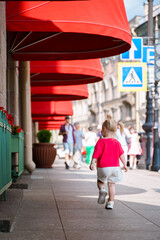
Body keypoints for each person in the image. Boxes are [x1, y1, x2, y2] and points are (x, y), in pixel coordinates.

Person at [89, 117, 127, 210]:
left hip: (103, 167)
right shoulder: (117, 142)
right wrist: (125, 165)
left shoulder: (101, 141)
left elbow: (96, 153)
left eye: (101, 129)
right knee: (112, 184)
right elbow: (121, 155)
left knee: (100, 181)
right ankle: (111, 202)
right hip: (115, 168)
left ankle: (102, 190)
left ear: (104, 129)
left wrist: (92, 163)